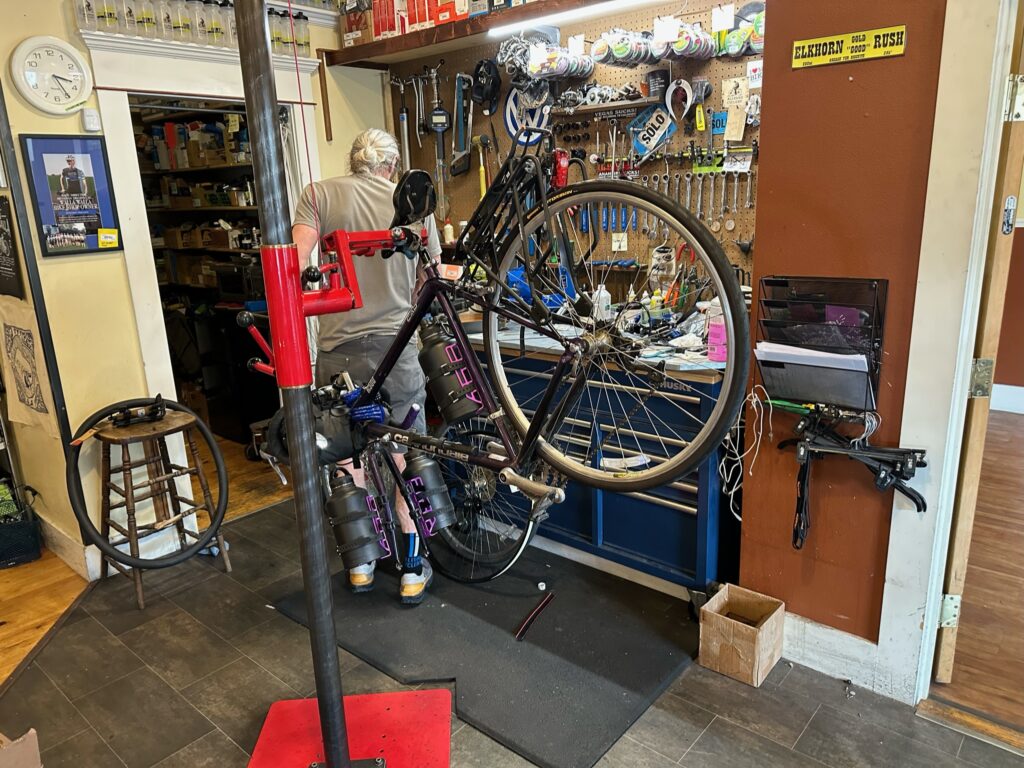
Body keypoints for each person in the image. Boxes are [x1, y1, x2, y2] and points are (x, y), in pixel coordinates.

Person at [292, 128, 442, 605]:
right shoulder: (416, 203)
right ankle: (413, 567)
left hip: (336, 352)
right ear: (392, 167)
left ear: (353, 161)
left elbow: (295, 266)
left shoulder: (319, 194)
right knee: (405, 453)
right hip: (395, 350)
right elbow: (430, 277)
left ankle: (360, 563)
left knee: (344, 458)